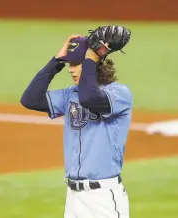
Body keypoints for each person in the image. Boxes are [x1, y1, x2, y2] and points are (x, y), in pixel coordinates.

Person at [20, 26, 132, 218]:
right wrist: (56, 61)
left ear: (94, 62)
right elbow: (30, 99)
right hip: (73, 198)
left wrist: (91, 58)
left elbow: (89, 98)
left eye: (76, 64)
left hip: (103, 198)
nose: (71, 69)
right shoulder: (70, 95)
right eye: (69, 64)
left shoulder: (119, 94)